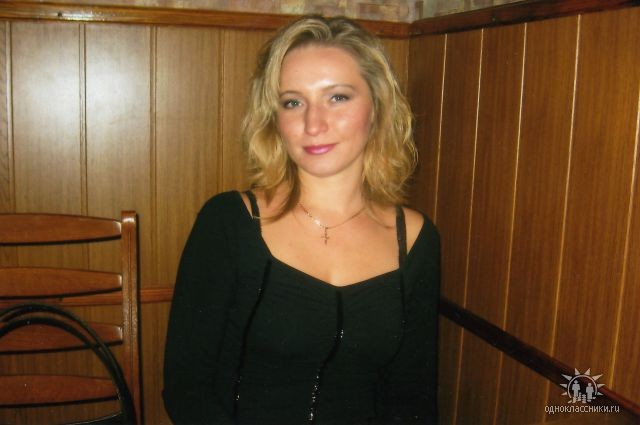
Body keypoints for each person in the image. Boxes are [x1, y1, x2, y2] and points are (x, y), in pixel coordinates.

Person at [163, 15, 440, 425]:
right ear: (274, 120)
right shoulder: (229, 223)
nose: (313, 124)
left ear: (378, 107)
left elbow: (413, 398)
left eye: (338, 97)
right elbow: (187, 389)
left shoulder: (415, 238)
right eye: (293, 102)